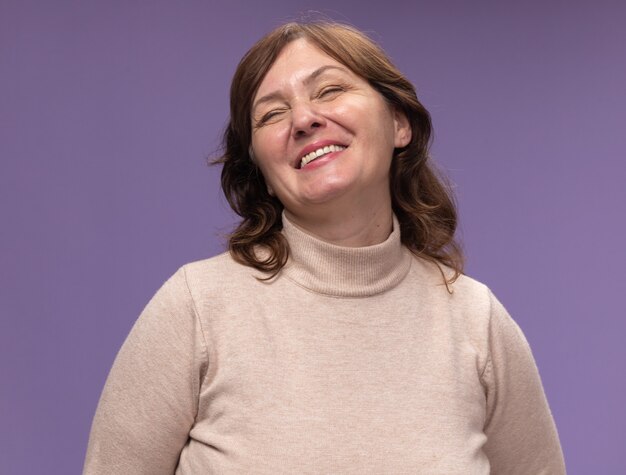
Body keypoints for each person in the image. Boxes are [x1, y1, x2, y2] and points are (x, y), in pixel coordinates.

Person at [84, 22, 566, 474]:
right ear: (263, 174)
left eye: (330, 90)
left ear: (400, 124)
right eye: (272, 114)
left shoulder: (476, 320)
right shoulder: (195, 309)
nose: (304, 119)